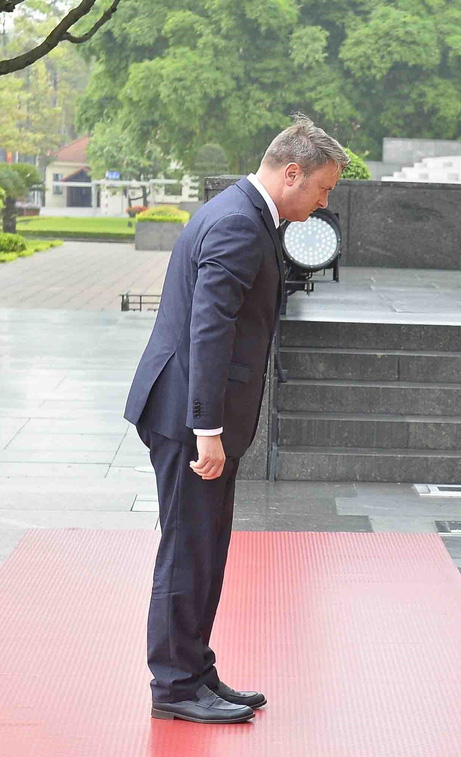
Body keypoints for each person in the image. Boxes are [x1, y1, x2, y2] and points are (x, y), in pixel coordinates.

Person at [123, 114, 348, 724]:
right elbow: (208, 331)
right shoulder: (238, 224)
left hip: (191, 412)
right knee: (189, 550)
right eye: (323, 189)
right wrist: (208, 432)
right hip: (188, 418)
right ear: (292, 172)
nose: (325, 202)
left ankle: (195, 671)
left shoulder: (241, 213)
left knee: (205, 545)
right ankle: (174, 685)